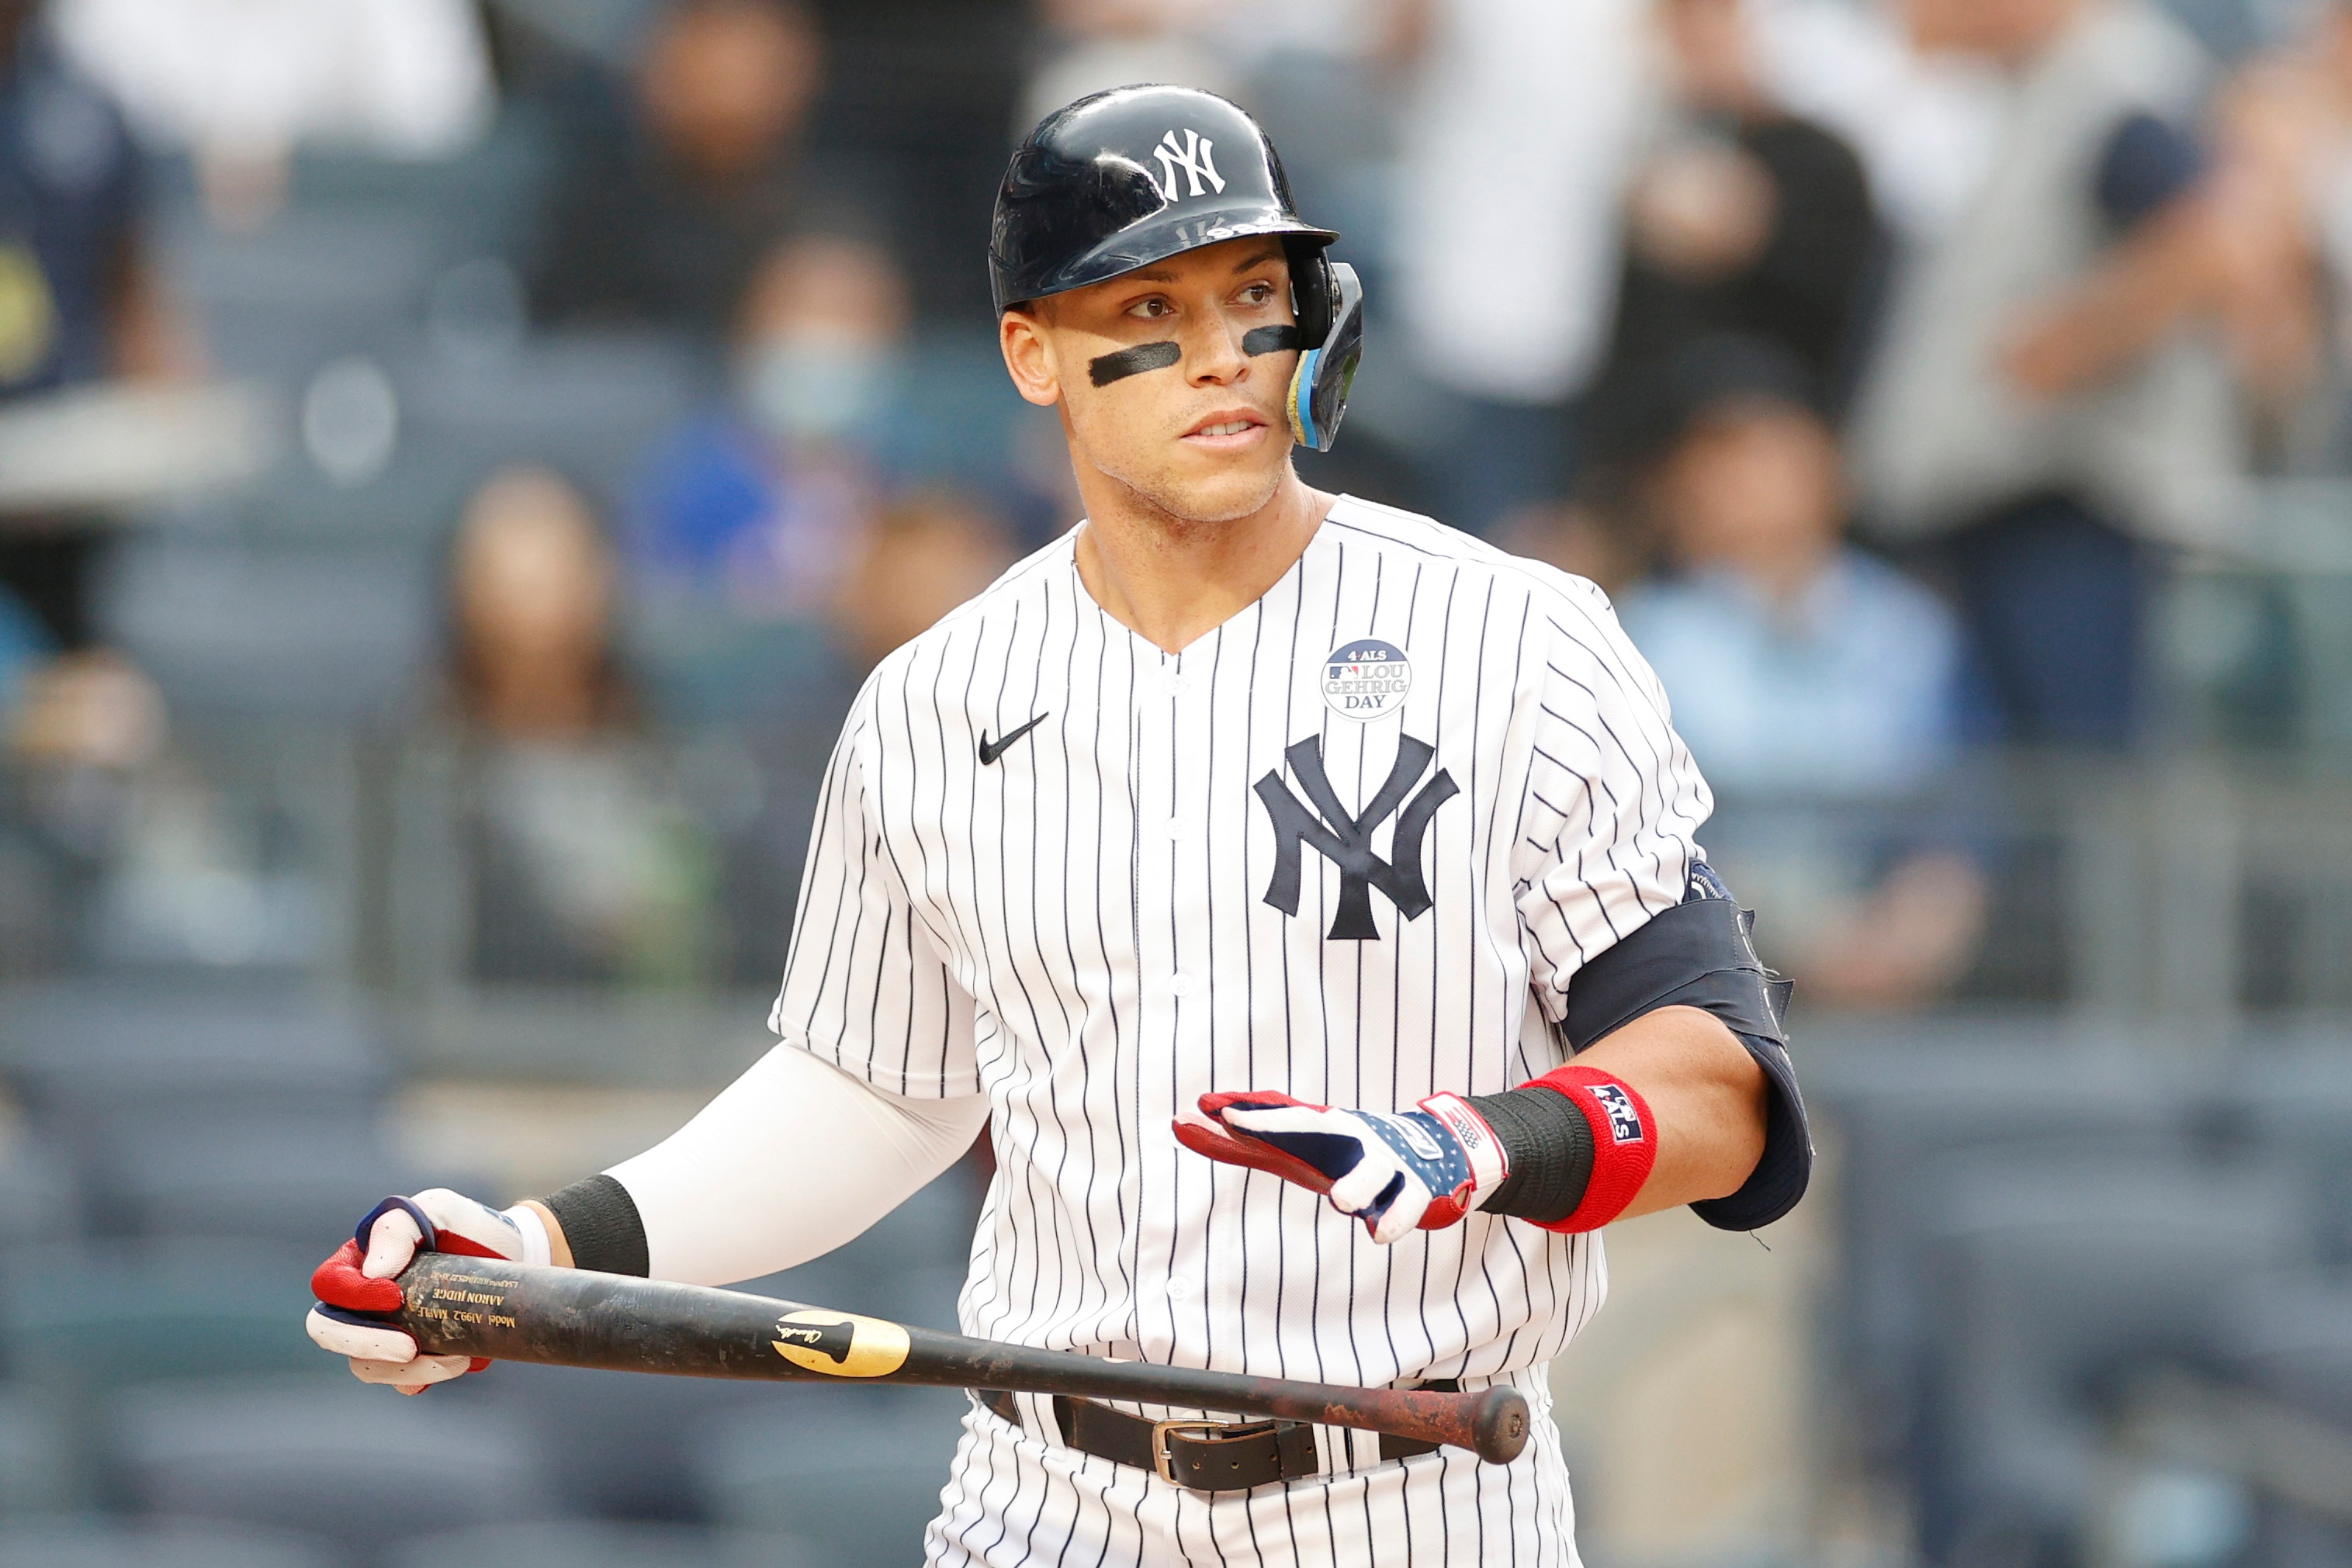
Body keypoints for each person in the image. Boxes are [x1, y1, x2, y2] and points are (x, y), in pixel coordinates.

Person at [307, 88, 1809, 1564]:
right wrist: (537, 1248)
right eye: (1147, 310)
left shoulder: (1518, 639)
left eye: (1253, 297)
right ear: (1034, 356)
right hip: (1050, 1500)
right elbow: (874, 1092)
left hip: (1412, 1490)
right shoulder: (934, 698)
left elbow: (1716, 1083)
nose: (1220, 356)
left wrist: (1484, 1142)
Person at [1848, 0, 2244, 749]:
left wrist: (2059, 351)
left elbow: (2209, 242)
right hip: (2013, 509)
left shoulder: (2109, 76)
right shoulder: (2044, 86)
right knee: (2029, 792)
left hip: (2069, 507)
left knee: (2074, 793)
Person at [1612, 337, 1987, 1006]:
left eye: (1767, 450)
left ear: (1827, 464)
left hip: (1898, 991)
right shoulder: (1636, 636)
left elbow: (1966, 810)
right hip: (1703, 986)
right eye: (1717, 457)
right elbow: (1651, 832)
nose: (1744, 481)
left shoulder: (1910, 628)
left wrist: (1912, 930)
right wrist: (1796, 940)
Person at [1601, 0, 1880, 409]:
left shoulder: (1820, 161)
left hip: (1759, 403)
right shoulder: (1634, 140)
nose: (1704, 41)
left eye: (1720, 19)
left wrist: (1750, 231)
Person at [530, 0, 830, 340]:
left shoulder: (834, 226)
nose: (727, 90)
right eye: (712, 68)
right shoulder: (596, 214)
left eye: (752, 67)